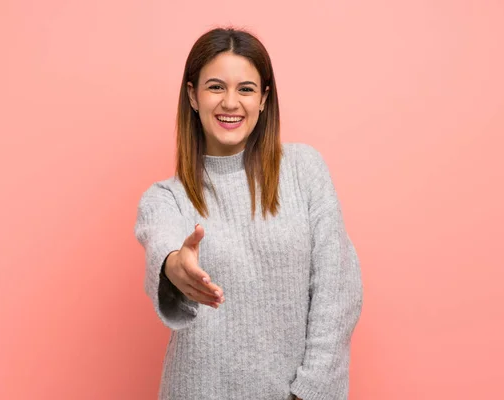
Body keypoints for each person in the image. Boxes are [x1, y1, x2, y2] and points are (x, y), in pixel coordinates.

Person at [134, 26, 363, 400]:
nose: (230, 102)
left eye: (245, 89)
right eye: (215, 87)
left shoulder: (304, 169)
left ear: (263, 99)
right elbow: (163, 248)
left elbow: (337, 291)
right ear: (192, 95)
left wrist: (310, 391)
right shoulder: (165, 198)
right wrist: (175, 267)